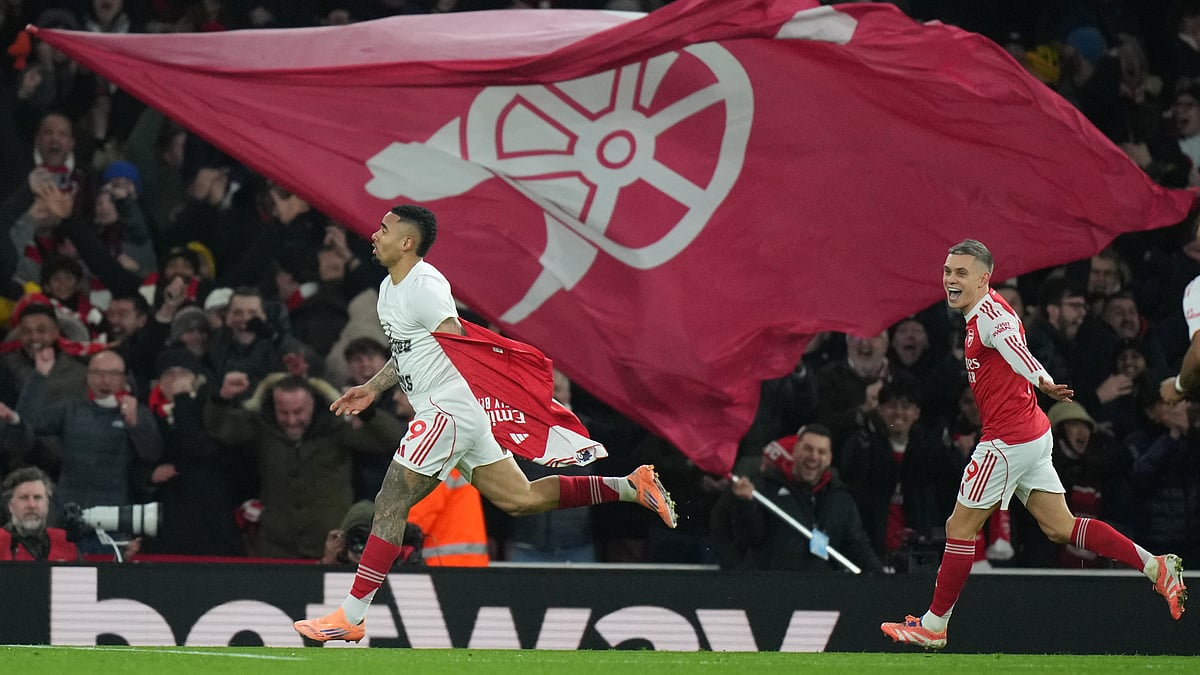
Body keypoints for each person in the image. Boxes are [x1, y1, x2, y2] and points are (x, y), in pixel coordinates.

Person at [294, 204, 676, 643]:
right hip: (458, 412)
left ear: (407, 243)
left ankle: (351, 614)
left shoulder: (425, 284)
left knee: (391, 499)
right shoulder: (387, 289)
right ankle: (631, 486)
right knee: (521, 498)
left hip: (448, 408)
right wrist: (374, 387)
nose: (374, 234)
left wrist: (501, 389)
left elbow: (455, 336)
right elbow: (408, 351)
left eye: (384, 228)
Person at [881, 239, 1186, 650]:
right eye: (948, 272)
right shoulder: (977, 312)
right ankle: (1156, 567)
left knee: (959, 527)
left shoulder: (990, 315)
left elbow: (1015, 349)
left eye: (961, 274)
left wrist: (1042, 380)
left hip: (1008, 439)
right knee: (1060, 526)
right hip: (1031, 433)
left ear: (984, 278)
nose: (951, 280)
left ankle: (934, 625)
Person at [710, 424, 881, 573]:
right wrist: (744, 505)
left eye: (821, 452)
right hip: (775, 589)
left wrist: (883, 580)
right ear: (795, 450)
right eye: (808, 448)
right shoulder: (764, 487)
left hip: (823, 593)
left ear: (829, 459)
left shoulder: (840, 498)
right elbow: (749, 538)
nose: (813, 456)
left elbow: (857, 546)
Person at [0, 467, 81, 561]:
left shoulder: (65, 542)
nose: (31, 505)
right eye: (24, 498)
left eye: (37, 497)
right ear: (11, 506)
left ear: (47, 505)